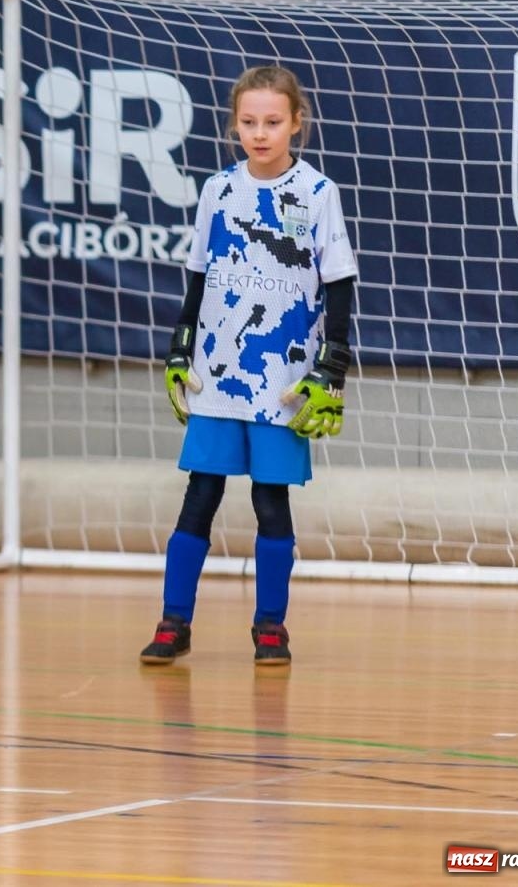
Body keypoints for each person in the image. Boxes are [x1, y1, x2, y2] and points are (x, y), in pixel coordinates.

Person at [143, 65, 358, 668]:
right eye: (248, 122)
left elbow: (339, 283)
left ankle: (270, 627)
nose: (259, 133)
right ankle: (173, 622)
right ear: (234, 123)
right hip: (217, 373)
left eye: (272, 122)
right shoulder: (218, 189)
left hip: (284, 381)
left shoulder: (318, 193)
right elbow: (197, 274)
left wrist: (332, 363)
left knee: (270, 503)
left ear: (296, 123)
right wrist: (181, 345)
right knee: (200, 495)